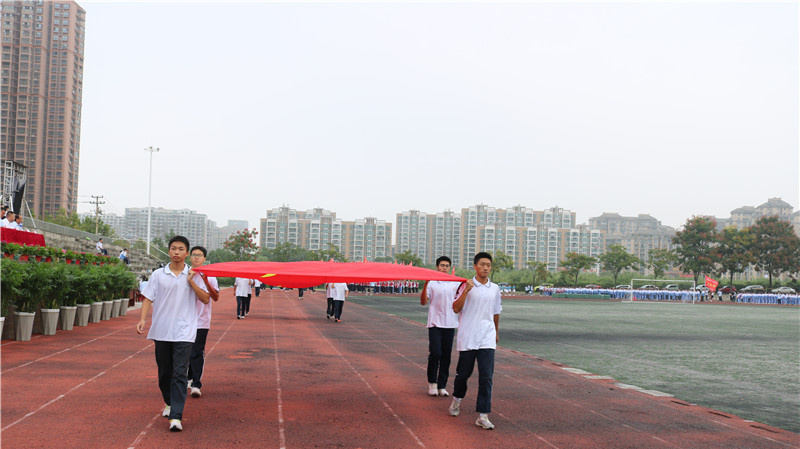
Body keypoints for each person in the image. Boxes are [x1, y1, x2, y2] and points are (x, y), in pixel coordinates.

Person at [136, 235, 210, 432]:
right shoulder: (158, 275)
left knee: (180, 373)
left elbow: (205, 299)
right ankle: (169, 402)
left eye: (181, 249)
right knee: (164, 373)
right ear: (169, 251)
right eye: (174, 248)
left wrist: (191, 282)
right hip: (161, 331)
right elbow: (148, 298)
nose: (177, 252)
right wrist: (143, 319)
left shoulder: (194, 274)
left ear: (187, 253)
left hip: (184, 332)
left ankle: (176, 416)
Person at [448, 252, 502, 430]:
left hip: (487, 337)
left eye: (488, 265)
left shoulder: (495, 288)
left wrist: (496, 332)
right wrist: (466, 291)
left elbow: (496, 312)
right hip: (468, 336)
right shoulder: (465, 285)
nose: (486, 268)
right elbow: (455, 308)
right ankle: (457, 400)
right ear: (475, 266)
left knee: (486, 376)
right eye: (482, 264)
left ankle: (483, 415)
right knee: (463, 374)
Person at [420, 256, 460, 397]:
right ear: (437, 267)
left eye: (447, 266)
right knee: (435, 353)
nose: (444, 268)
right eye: (442, 265)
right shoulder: (431, 283)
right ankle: (432, 383)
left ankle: (442, 385)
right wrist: (425, 285)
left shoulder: (455, 283)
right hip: (435, 323)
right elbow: (423, 302)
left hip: (450, 323)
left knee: (446, 356)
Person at [187, 246, 220, 398]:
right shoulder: (184, 274)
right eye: (194, 255)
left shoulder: (210, 276)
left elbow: (215, 297)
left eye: (199, 255)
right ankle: (188, 378)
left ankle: (196, 384)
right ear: (190, 257)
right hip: (184, 320)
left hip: (201, 321)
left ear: (204, 258)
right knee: (185, 351)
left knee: (196, 351)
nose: (196, 257)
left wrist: (206, 281)